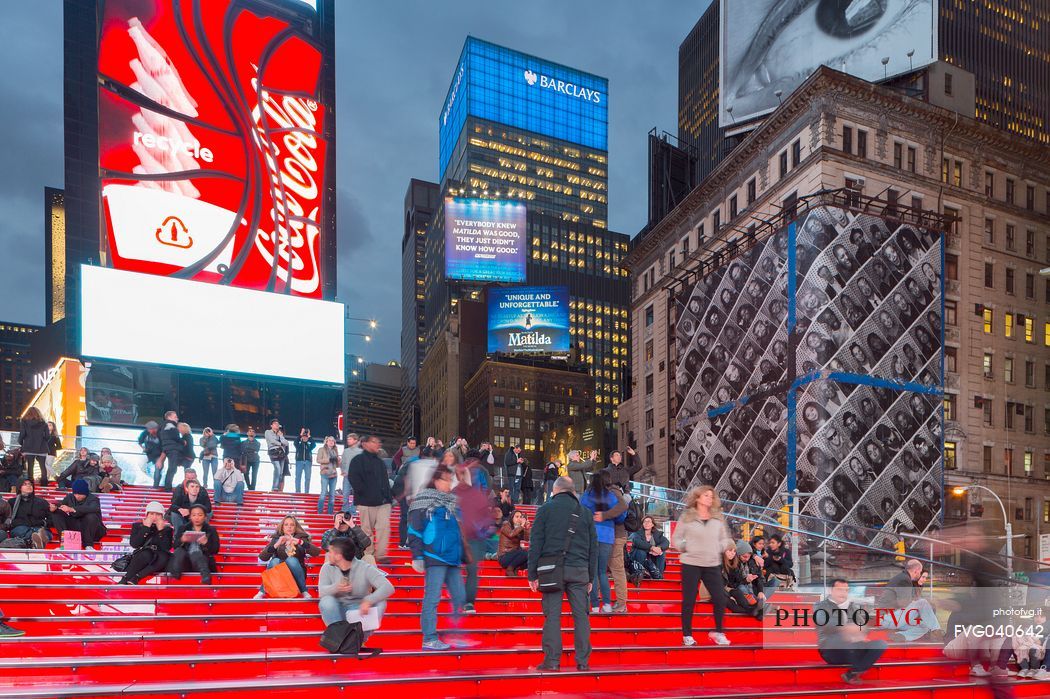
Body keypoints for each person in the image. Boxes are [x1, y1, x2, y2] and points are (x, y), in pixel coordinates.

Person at [528, 476, 597, 672]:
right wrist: (591, 577)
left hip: (552, 571)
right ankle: (583, 662)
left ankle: (552, 661)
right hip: (580, 570)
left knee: (552, 616)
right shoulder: (585, 513)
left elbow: (536, 543)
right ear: (573, 491)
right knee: (581, 617)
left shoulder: (545, 509)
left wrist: (532, 574)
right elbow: (594, 547)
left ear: (556, 490)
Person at [407, 463, 467, 651]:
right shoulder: (422, 500)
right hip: (434, 556)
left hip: (452, 557)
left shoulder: (451, 502)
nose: (449, 484)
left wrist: (462, 554)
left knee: (460, 596)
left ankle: (455, 634)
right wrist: (417, 555)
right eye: (446, 480)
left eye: (451, 480)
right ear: (435, 480)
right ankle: (429, 638)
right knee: (432, 598)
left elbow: (457, 531)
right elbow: (414, 530)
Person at [674, 484, 733, 646]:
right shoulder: (687, 516)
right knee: (689, 600)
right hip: (691, 563)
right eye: (706, 495)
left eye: (711, 496)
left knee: (720, 598)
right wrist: (685, 547)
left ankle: (718, 632)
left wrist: (721, 547)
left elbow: (725, 538)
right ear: (698, 497)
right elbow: (676, 539)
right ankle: (687, 635)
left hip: (712, 563)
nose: (710, 498)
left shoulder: (718, 517)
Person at [318, 537, 394, 657]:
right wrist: (336, 588)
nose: (328, 554)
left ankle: (359, 639)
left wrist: (369, 600)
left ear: (339, 556)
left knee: (381, 602)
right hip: (339, 611)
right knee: (326, 601)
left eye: (330, 551)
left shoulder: (364, 568)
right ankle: (341, 639)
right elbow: (321, 592)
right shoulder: (327, 568)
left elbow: (388, 587)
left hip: (358, 610)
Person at [814, 578, 887, 685]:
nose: (843, 593)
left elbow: (864, 626)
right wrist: (846, 629)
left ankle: (852, 673)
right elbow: (824, 624)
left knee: (880, 644)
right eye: (840, 590)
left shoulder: (852, 606)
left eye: (846, 590)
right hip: (832, 650)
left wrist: (860, 632)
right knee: (841, 638)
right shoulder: (820, 606)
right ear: (831, 590)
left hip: (852, 646)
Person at [579, 471, 627, 614]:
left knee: (592, 572)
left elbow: (581, 513)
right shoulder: (611, 496)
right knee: (602, 572)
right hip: (607, 537)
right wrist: (609, 518)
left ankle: (594, 606)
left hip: (591, 535)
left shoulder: (587, 495)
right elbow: (621, 516)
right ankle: (607, 605)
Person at [349, 435, 393, 563]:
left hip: (383, 502)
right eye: (374, 441)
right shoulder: (357, 460)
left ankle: (381, 554)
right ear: (365, 444)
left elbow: (385, 481)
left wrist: (389, 498)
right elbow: (354, 479)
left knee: (384, 528)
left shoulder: (380, 462)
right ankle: (369, 554)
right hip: (365, 502)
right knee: (366, 530)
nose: (377, 444)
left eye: (378, 442)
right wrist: (364, 493)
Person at [255, 515, 320, 599]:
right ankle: (261, 591)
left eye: (292, 525)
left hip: (296, 575)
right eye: (286, 524)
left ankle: (304, 590)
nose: (289, 527)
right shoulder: (276, 538)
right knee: (275, 561)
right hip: (279, 576)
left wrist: (300, 542)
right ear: (282, 527)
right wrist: (276, 544)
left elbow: (316, 553)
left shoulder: (302, 537)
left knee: (291, 560)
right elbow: (263, 558)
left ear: (295, 527)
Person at [878, 559, 943, 642]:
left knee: (925, 625)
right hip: (888, 618)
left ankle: (902, 636)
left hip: (894, 618)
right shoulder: (904, 579)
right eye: (920, 573)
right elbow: (903, 603)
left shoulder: (903, 578)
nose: (920, 575)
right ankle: (937, 631)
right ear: (916, 571)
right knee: (923, 602)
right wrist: (921, 605)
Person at [118, 501, 173, 585]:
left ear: (162, 516)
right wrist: (145, 528)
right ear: (146, 515)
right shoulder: (137, 526)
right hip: (143, 555)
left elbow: (166, 547)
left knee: (164, 557)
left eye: (158, 514)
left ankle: (137, 577)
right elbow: (134, 544)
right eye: (151, 514)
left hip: (160, 558)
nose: (154, 517)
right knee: (147, 554)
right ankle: (126, 578)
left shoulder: (167, 529)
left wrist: (161, 531)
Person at [169, 503, 220, 584]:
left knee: (196, 554)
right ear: (190, 517)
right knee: (179, 551)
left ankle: (206, 576)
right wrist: (182, 540)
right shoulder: (183, 528)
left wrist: (206, 543)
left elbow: (215, 550)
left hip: (202, 562)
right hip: (186, 562)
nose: (197, 518)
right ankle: (175, 574)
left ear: (205, 517)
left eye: (200, 515)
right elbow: (175, 546)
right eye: (194, 515)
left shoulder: (211, 530)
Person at [50, 479, 108, 549]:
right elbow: (61, 505)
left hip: (92, 529)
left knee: (91, 516)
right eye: (75, 494)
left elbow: (94, 508)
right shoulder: (70, 497)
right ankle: (65, 541)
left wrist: (72, 509)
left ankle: (88, 545)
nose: (77, 496)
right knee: (56, 513)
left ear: (85, 492)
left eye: (80, 494)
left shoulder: (94, 499)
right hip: (76, 526)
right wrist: (55, 507)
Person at [8, 479, 52, 548]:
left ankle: (37, 541)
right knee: (20, 531)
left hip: (38, 527)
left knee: (45, 533)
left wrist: (43, 523)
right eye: (25, 484)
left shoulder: (42, 502)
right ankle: (38, 541)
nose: (28, 486)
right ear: (20, 487)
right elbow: (9, 520)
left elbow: (50, 519)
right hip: (21, 528)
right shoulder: (12, 502)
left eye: (30, 484)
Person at [722, 543, 762, 619]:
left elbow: (735, 582)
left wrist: (746, 580)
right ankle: (756, 611)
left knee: (739, 592)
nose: (732, 553)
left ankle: (755, 610)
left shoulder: (734, 563)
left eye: (734, 551)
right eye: (730, 551)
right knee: (733, 601)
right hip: (716, 591)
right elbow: (717, 583)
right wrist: (729, 595)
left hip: (728, 588)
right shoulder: (720, 563)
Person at [18, 406, 50, 487]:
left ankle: (30, 485)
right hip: (42, 447)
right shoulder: (44, 423)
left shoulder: (24, 422)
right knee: (43, 466)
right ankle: (44, 484)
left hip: (29, 447)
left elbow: (22, 434)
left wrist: (21, 443)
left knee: (30, 467)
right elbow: (47, 437)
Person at [629, 515, 668, 580]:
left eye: (649, 521)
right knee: (641, 552)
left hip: (651, 558)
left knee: (662, 552)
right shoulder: (637, 533)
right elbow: (637, 542)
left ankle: (658, 575)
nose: (646, 523)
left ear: (652, 524)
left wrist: (659, 548)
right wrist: (652, 548)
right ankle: (640, 573)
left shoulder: (657, 534)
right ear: (642, 524)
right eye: (644, 521)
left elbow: (666, 542)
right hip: (638, 558)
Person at [498, 509, 530, 576]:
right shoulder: (506, 524)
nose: (519, 519)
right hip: (504, 557)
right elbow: (511, 534)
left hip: (515, 556)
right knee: (523, 552)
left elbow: (527, 539)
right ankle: (510, 569)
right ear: (512, 517)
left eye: (520, 517)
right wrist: (521, 526)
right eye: (517, 516)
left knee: (531, 556)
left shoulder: (519, 528)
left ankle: (516, 568)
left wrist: (527, 528)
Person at [159, 411, 184, 490]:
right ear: (169, 417)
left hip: (167, 448)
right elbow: (175, 436)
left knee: (172, 468)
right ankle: (168, 487)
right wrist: (183, 441)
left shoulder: (164, 425)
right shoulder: (170, 424)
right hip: (172, 449)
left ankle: (167, 486)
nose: (177, 418)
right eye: (175, 416)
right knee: (172, 468)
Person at [315, 436, 340, 514]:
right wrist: (328, 460)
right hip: (325, 474)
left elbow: (337, 466)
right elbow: (318, 460)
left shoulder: (335, 451)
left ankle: (330, 513)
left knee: (332, 495)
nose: (331, 442)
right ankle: (319, 512)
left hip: (334, 475)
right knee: (323, 493)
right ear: (326, 441)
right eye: (330, 440)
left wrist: (339, 461)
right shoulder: (321, 449)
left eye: (333, 441)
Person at [138, 421, 165, 488]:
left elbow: (165, 448)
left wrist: (161, 459)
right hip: (147, 453)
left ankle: (155, 486)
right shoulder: (145, 433)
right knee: (141, 465)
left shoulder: (162, 434)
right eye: (149, 429)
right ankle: (152, 479)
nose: (151, 430)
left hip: (158, 455)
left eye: (153, 429)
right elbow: (140, 441)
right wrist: (143, 448)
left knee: (158, 469)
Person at [265, 419, 289, 492]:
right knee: (277, 469)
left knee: (281, 472)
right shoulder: (268, 432)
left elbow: (286, 443)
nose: (277, 425)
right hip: (273, 452)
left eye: (278, 424)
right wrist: (281, 444)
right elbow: (272, 441)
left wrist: (281, 437)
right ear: (271, 425)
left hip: (281, 453)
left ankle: (278, 488)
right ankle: (274, 487)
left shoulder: (280, 433)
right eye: (275, 424)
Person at [339, 433, 361, 511]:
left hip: (357, 477)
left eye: (350, 439)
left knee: (356, 494)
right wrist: (343, 471)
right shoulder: (346, 451)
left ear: (355, 440)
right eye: (347, 439)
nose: (348, 440)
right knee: (345, 494)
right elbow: (342, 463)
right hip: (347, 476)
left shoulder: (361, 452)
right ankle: (345, 510)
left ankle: (353, 510)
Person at [293, 428, 316, 494]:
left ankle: (306, 492)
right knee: (298, 477)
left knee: (308, 478)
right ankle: (298, 492)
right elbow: (295, 442)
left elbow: (314, 444)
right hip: (299, 462)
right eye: (303, 436)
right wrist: (300, 434)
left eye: (306, 437)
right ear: (302, 437)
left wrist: (309, 436)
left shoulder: (309, 445)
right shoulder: (299, 444)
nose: (305, 438)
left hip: (308, 462)